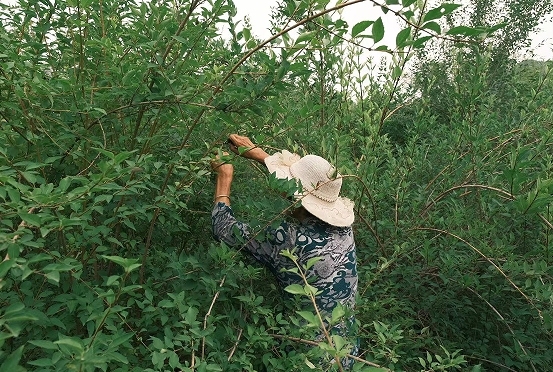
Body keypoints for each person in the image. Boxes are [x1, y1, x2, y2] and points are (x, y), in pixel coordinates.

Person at [211, 134, 358, 369]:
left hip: (305, 361)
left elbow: (224, 229)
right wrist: (259, 154)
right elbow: (307, 188)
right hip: (346, 353)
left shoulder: (288, 238)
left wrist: (224, 177)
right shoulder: (345, 230)